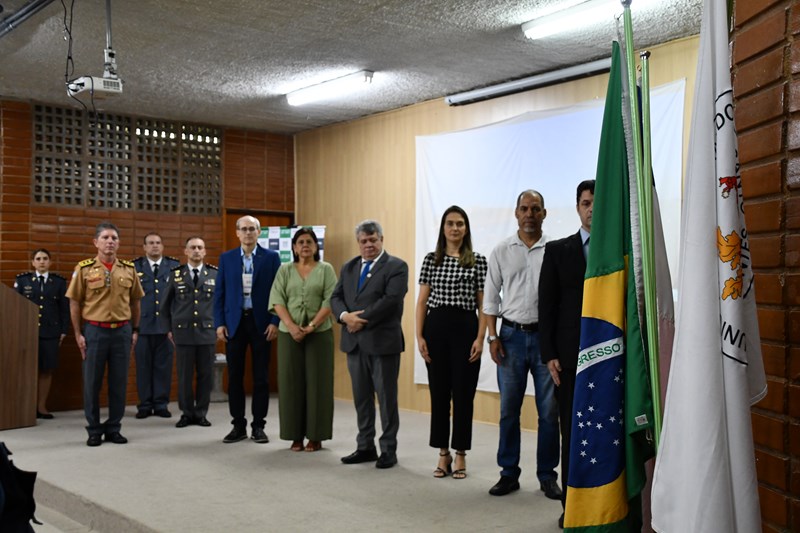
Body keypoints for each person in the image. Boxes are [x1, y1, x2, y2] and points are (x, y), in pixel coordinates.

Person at [483, 190, 561, 499]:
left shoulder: (554, 250)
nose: (530, 214)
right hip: (510, 338)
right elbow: (490, 299)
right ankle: (508, 473)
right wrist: (491, 336)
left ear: (545, 213)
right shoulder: (502, 251)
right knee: (508, 411)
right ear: (516, 213)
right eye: (524, 208)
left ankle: (547, 475)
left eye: (536, 209)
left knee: (548, 413)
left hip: (546, 339)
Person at [415, 206, 487, 479]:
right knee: (440, 393)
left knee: (464, 395)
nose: (455, 228)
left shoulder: (477, 261)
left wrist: (481, 338)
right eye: (450, 223)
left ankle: (460, 454)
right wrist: (419, 336)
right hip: (436, 329)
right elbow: (422, 302)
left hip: (466, 329)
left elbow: (484, 305)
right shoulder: (431, 260)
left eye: (460, 224)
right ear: (443, 228)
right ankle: (442, 453)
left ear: (466, 228)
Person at [331, 220, 408, 469]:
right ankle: (365, 446)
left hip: (382, 343)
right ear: (359, 243)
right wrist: (345, 317)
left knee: (386, 399)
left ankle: (388, 450)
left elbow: (391, 300)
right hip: (355, 344)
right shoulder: (349, 267)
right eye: (363, 241)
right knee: (361, 399)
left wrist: (359, 319)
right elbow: (336, 297)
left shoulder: (396, 266)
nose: (368, 245)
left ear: (381, 239)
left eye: (373, 240)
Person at [539, 180, 594, 528]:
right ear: (577, 207)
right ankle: (571, 506)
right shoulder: (559, 250)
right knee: (571, 431)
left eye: (598, 202)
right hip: (570, 357)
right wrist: (549, 353)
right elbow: (547, 306)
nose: (592, 208)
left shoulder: (621, 249)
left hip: (610, 355)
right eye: (586, 202)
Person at [66, 222, 144, 447]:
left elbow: (136, 302)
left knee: (119, 382)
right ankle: (93, 429)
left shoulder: (129, 269)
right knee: (92, 383)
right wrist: (78, 333)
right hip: (95, 332)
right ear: (96, 242)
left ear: (118, 243)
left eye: (114, 238)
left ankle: (113, 428)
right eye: (106, 238)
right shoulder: (84, 269)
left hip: (122, 332)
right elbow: (74, 303)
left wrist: (135, 330)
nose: (110, 242)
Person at [268, 228, 337, 452]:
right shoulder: (285, 270)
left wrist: (310, 326)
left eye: (309, 241)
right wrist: (291, 326)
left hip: (319, 333)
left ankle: (316, 436)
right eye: (300, 242)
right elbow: (277, 299)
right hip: (289, 335)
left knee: (319, 384)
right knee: (290, 384)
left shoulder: (326, 269)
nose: (304, 245)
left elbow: (330, 300)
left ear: (316, 247)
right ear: (294, 248)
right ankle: (294, 435)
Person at [214, 215, 281, 444]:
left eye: (252, 229)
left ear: (259, 232)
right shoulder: (227, 258)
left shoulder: (271, 258)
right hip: (235, 323)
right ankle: (238, 425)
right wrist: (219, 322)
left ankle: (258, 426)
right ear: (237, 233)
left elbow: (278, 292)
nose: (248, 233)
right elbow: (219, 293)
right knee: (235, 377)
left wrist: (275, 322)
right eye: (244, 229)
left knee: (261, 377)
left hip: (261, 323)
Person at [161, 237, 218, 428]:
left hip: (207, 332)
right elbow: (165, 305)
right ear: (185, 251)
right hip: (183, 333)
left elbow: (220, 304)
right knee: (184, 376)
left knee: (205, 375)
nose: (196, 251)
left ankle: (201, 413)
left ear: (204, 252)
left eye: (200, 247)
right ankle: (186, 413)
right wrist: (169, 329)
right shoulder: (175, 275)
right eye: (192, 247)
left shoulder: (214, 274)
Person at [14, 249, 70, 419]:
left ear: (50, 262)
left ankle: (41, 407)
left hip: (50, 332)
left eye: (45, 258)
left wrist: (63, 331)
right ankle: (27, 407)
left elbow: (64, 309)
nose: (42, 261)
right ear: (33, 262)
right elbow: (15, 307)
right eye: (38, 259)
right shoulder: (22, 280)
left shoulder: (59, 282)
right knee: (27, 370)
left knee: (47, 369)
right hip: (27, 332)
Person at [133, 233, 180, 419]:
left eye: (158, 243)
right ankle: (144, 405)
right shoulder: (134, 267)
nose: (154, 246)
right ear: (144, 247)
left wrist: (174, 326)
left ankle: (161, 404)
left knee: (164, 367)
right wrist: (133, 328)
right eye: (150, 243)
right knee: (142, 367)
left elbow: (178, 299)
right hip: (142, 326)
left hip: (165, 327)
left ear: (163, 246)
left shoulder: (174, 267)